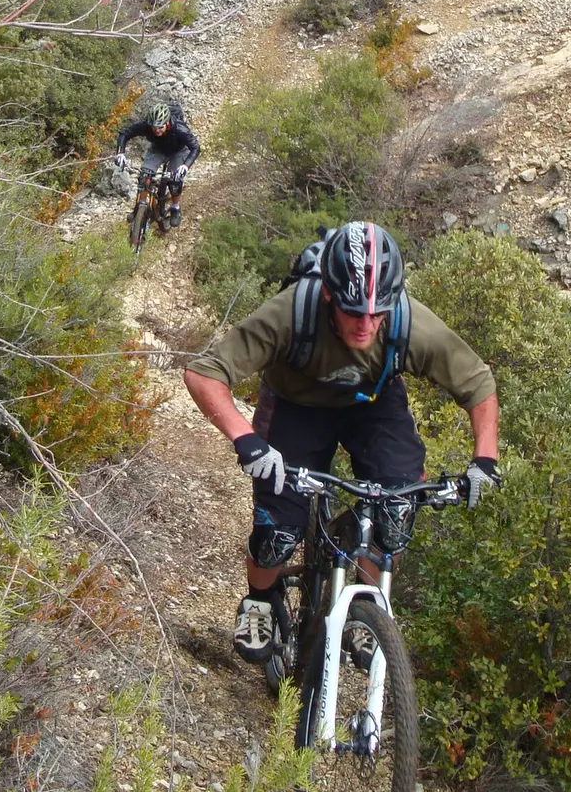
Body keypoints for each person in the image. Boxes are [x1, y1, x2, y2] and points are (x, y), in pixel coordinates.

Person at [183, 220, 501, 663]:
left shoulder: (409, 322)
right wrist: (246, 439)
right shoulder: (292, 312)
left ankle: (368, 607)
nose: (366, 324)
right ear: (329, 294)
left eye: (378, 312)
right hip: (296, 403)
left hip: (371, 402)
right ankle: (260, 597)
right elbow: (204, 372)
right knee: (277, 528)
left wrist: (485, 458)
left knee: (396, 511)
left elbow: (478, 385)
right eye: (354, 312)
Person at [114, 101, 200, 227]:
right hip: (158, 149)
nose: (156, 130)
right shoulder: (146, 126)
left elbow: (195, 148)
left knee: (175, 180)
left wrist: (185, 166)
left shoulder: (180, 128)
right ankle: (139, 206)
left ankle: (175, 208)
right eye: (154, 127)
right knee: (144, 176)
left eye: (160, 127)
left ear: (167, 123)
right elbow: (125, 133)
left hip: (179, 151)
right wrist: (120, 153)